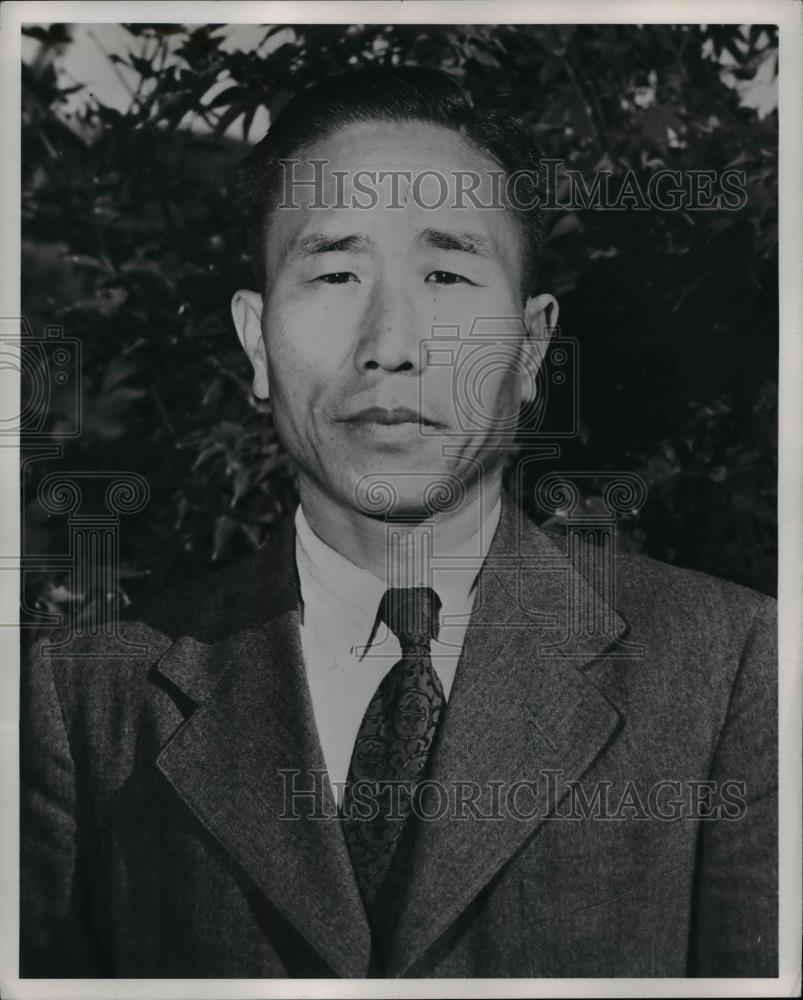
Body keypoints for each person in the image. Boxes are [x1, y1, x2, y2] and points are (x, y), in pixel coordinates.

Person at [20, 66, 777, 979]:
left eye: (447, 272)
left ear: (531, 347)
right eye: (334, 271)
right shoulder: (88, 697)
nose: (391, 344)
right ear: (257, 342)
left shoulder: (731, 667)